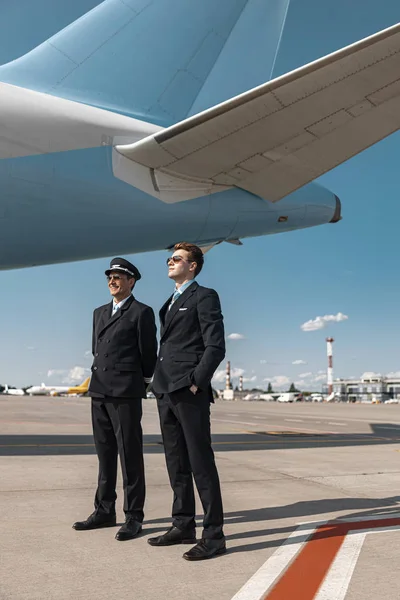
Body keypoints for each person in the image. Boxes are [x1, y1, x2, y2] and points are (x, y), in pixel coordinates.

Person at [148, 242, 226, 561]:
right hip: (165, 389)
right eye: (169, 258)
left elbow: (215, 346)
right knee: (175, 461)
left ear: (192, 266)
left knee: (200, 462)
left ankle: (214, 535)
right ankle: (182, 525)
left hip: (188, 389)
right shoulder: (169, 302)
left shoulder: (204, 296)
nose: (171, 262)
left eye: (177, 259)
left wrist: (197, 381)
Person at [73, 257, 157, 541]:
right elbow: (96, 347)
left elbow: (148, 354)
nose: (112, 280)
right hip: (99, 390)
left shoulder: (141, 313)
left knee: (130, 456)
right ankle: (104, 510)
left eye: (119, 276)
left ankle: (134, 516)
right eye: (110, 276)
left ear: (131, 281)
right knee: (105, 454)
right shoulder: (98, 313)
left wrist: (142, 383)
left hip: (126, 392)